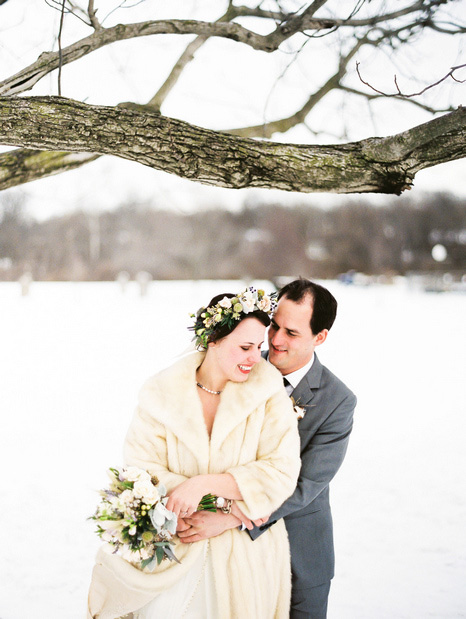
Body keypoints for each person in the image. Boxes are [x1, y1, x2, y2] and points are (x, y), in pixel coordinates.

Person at [87, 287, 301, 619]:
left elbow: (282, 470)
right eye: (244, 347)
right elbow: (141, 465)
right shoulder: (161, 393)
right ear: (213, 339)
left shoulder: (268, 391)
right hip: (176, 546)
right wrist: (184, 500)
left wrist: (205, 490)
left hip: (243, 557)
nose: (253, 358)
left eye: (257, 347)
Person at [179, 278, 357, 618]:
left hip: (299, 555)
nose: (274, 340)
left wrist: (232, 518)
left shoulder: (338, 401)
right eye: (274, 325)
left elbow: (306, 485)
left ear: (320, 337)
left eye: (291, 333)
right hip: (223, 552)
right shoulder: (237, 364)